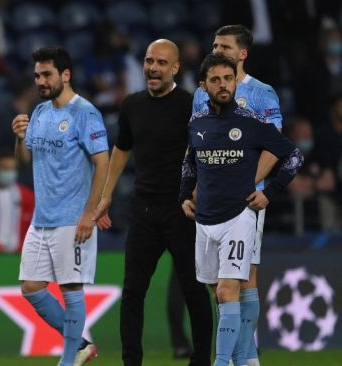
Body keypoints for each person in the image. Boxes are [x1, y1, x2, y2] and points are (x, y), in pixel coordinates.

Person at [92, 39, 213, 366]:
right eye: (149, 61)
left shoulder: (191, 105)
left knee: (193, 289)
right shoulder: (132, 104)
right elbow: (121, 150)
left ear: (175, 68)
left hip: (181, 211)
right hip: (143, 211)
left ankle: (201, 360)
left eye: (161, 63)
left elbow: (206, 154)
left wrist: (200, 191)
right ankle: (132, 362)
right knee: (132, 293)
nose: (153, 68)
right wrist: (106, 195)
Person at [180, 53, 303, 366]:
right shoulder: (197, 123)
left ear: (235, 81)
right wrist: (184, 195)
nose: (224, 85)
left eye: (228, 78)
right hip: (205, 219)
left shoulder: (252, 123)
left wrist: (270, 193)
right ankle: (248, 359)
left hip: (239, 216)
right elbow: (190, 161)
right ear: (203, 86)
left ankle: (222, 363)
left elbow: (294, 157)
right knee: (217, 292)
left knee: (226, 291)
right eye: (216, 80)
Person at [11, 46, 109, 366]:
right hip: (42, 219)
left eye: (47, 74)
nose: (40, 80)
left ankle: (68, 361)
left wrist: (89, 214)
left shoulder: (85, 113)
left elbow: (102, 162)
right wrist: (18, 138)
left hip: (72, 218)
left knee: (70, 287)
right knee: (31, 288)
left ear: (65, 75)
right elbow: (25, 162)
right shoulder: (40, 112)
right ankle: (81, 345)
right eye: (37, 74)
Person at [192, 25, 283, 366]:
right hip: (211, 202)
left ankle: (245, 357)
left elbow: (275, 147)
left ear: (242, 54)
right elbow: (197, 147)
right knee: (218, 285)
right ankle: (238, 356)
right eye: (214, 44)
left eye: (225, 46)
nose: (217, 48)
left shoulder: (261, 93)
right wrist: (197, 188)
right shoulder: (202, 93)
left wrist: (246, 182)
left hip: (246, 201)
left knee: (246, 279)